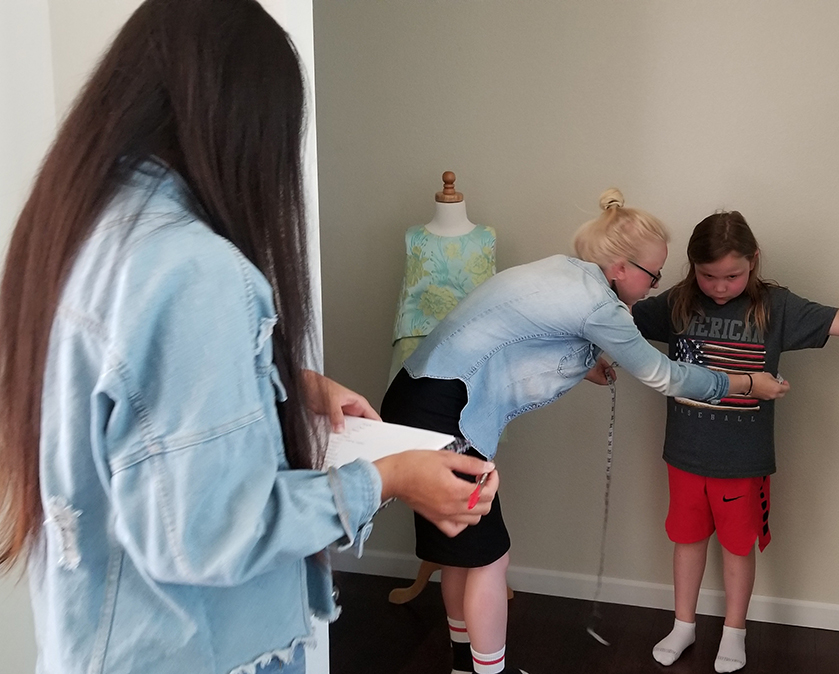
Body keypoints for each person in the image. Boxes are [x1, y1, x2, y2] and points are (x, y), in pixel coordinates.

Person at [0, 2, 498, 673]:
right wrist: (385, 479)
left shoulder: (80, 228)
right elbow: (208, 530)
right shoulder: (190, 270)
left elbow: (135, 407)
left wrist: (286, 382)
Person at [380, 190, 788, 674]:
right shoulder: (601, 305)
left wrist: (585, 366)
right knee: (490, 559)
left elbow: (526, 335)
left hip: (413, 396)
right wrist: (745, 382)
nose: (653, 284)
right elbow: (667, 376)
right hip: (448, 415)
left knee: (459, 555)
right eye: (652, 274)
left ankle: (464, 665)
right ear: (620, 267)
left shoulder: (564, 271)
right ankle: (490, 672)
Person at [630, 210, 839, 673]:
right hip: (683, 456)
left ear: (753, 261)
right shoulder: (677, 302)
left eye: (731, 275)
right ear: (691, 267)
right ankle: (683, 624)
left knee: (738, 546)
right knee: (687, 540)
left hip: (743, 461)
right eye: (707, 275)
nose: (718, 286)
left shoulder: (776, 306)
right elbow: (617, 322)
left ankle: (735, 631)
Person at [389, 171, 496, 383]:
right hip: (414, 343)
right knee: (409, 409)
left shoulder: (486, 237)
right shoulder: (414, 236)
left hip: (473, 343)